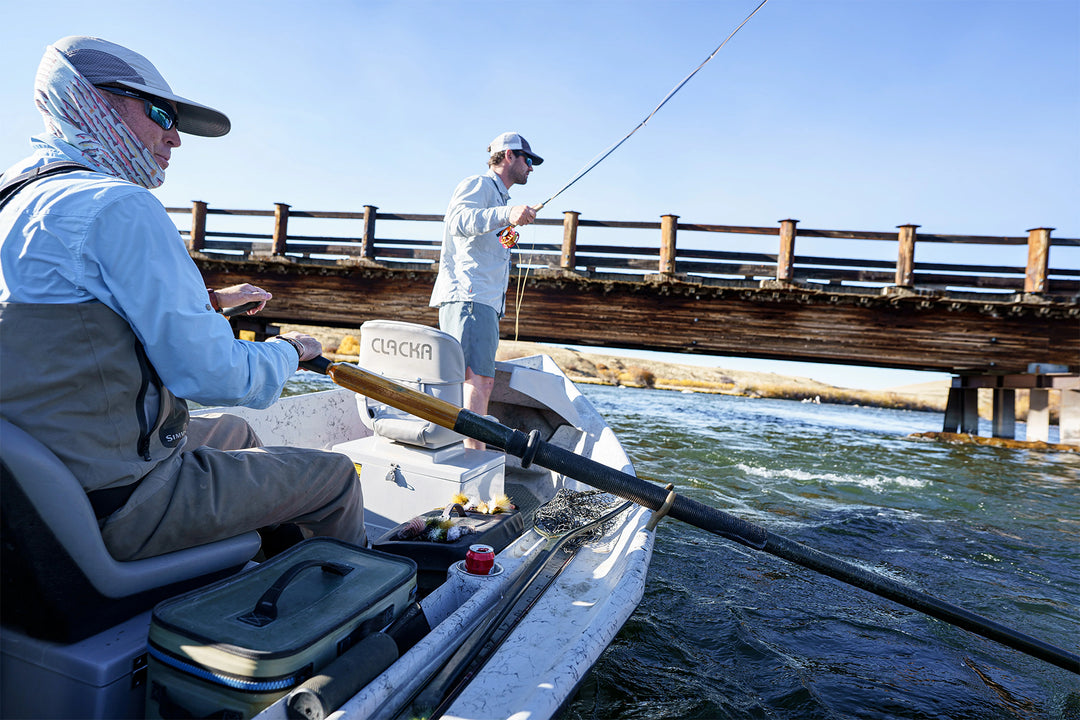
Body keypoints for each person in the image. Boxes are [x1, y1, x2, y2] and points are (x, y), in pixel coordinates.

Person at [0, 36, 365, 561]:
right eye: (160, 114)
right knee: (332, 478)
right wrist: (292, 351)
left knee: (235, 431)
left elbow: (69, 319)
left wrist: (209, 301)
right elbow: (213, 376)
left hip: (40, 484)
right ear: (93, 100)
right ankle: (359, 620)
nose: (175, 139)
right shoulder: (118, 205)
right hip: (115, 500)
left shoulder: (18, 196)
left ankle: (251, 563)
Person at [429, 132, 543, 449]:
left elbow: (477, 235)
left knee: (477, 380)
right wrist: (507, 214)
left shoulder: (498, 199)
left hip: (481, 301)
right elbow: (458, 221)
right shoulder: (478, 184)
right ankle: (472, 461)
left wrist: (504, 232)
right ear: (509, 155)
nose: (532, 168)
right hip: (469, 296)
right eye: (528, 160)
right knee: (477, 380)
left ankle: (467, 455)